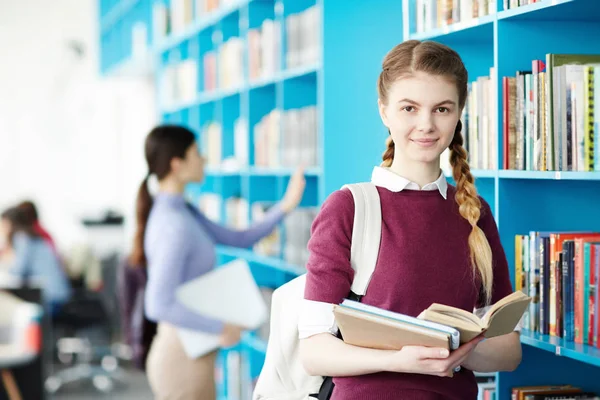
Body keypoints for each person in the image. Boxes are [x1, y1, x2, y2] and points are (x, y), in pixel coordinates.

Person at [298, 40, 523, 400]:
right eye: (409, 108)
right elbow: (314, 352)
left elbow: (509, 352)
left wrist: (455, 349)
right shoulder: (349, 207)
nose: (426, 125)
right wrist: (406, 359)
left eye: (442, 109)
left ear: (460, 112)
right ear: (384, 111)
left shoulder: (475, 212)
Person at [129, 125, 306, 400]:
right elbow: (158, 304)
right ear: (177, 164)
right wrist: (221, 328)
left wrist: (285, 206)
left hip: (192, 351)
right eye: (196, 153)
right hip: (181, 359)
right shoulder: (172, 223)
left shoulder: (182, 211)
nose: (204, 159)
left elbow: (239, 239)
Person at [0, 207, 71, 316]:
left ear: (9, 224)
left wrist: (7, 259)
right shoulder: (34, 237)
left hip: (49, 296)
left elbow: (18, 271)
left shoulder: (22, 239)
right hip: (60, 294)